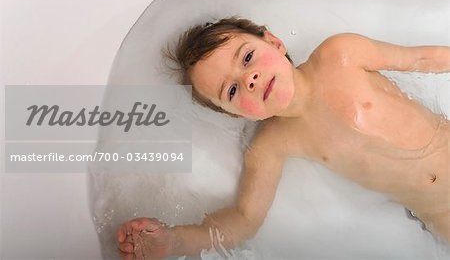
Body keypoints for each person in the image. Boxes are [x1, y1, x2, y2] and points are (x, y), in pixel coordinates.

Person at [116, 17, 450, 259]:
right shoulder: (271, 145)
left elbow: (424, 59)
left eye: (247, 58)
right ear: (238, 114)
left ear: (274, 41)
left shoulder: (341, 54)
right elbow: (243, 221)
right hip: (441, 213)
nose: (250, 79)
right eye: (231, 90)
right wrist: (173, 242)